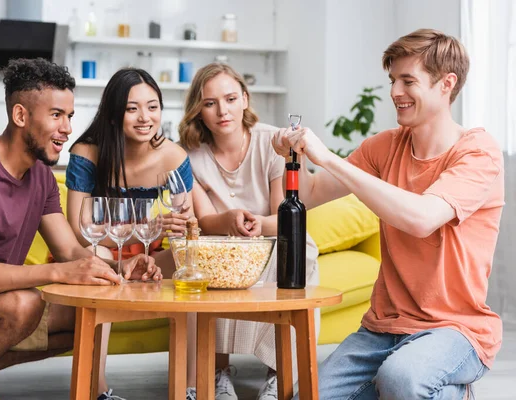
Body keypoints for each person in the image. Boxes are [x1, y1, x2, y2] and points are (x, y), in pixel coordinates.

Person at [271, 29, 503, 400]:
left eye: (408, 80)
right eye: (393, 79)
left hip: (455, 330)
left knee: (402, 378)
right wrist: (289, 156)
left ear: (447, 84)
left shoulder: (478, 152)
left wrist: (327, 156)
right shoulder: (383, 146)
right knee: (305, 396)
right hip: (381, 329)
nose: (395, 91)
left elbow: (422, 218)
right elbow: (311, 193)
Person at [0, 58, 161, 400]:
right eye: (56, 115)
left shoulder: (41, 176)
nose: (67, 128)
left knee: (90, 315)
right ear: (20, 116)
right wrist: (60, 271)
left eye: (70, 116)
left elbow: (70, 251)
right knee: (25, 304)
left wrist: (118, 267)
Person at [179, 62, 319, 400]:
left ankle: (279, 374)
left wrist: (256, 225)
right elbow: (203, 221)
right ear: (199, 110)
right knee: (204, 259)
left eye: (229, 98)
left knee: (297, 252)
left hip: (273, 236)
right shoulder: (189, 156)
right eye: (210, 103)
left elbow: (281, 216)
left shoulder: (272, 143)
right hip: (220, 240)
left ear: (244, 98)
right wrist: (229, 220)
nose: (222, 111)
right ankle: (214, 372)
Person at [66, 67, 193, 399]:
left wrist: (181, 226)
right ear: (112, 114)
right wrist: (143, 229)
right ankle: (98, 389)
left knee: (190, 263)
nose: (144, 117)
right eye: (132, 108)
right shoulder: (87, 152)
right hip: (100, 254)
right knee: (103, 257)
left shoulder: (173, 156)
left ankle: (189, 387)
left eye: (152, 107)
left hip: (148, 258)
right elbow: (81, 231)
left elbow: (185, 223)